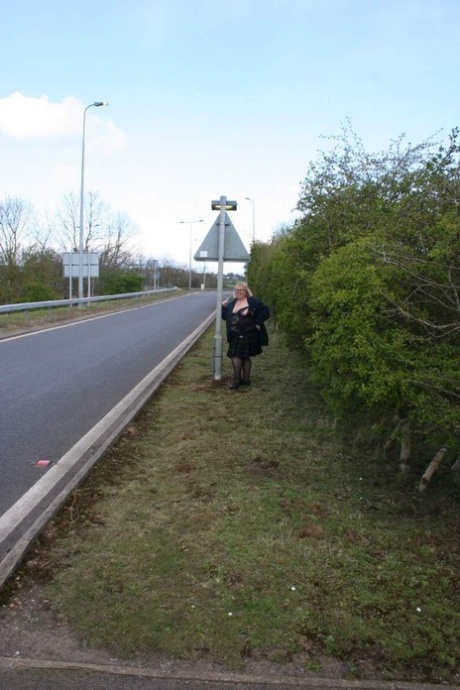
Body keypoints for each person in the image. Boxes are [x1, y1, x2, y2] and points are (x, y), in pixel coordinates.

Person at [221, 282, 270, 389]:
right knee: (244, 356)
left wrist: (257, 321)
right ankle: (246, 380)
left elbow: (266, 311)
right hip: (234, 334)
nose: (239, 292)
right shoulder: (232, 304)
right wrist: (223, 308)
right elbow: (226, 317)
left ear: (246, 292)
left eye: (241, 290)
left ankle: (236, 380)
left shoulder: (253, 302)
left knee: (236, 355)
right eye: (237, 290)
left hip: (249, 333)